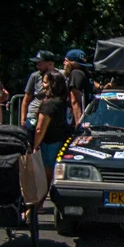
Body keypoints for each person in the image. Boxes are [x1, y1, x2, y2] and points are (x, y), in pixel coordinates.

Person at [31, 72, 72, 209]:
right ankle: (39, 204)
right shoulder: (64, 102)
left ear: (52, 85)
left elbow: (39, 129)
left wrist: (35, 146)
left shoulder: (49, 104)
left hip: (49, 143)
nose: (42, 85)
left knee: (43, 177)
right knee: (48, 177)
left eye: (45, 82)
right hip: (61, 142)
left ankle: (37, 206)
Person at [22, 50, 57, 129]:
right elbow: (26, 99)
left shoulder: (60, 75)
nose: (37, 66)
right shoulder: (35, 76)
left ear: (50, 63)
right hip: (34, 115)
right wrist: (23, 119)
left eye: (40, 63)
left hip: (53, 115)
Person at [64, 49, 95, 124]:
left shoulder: (76, 73)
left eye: (66, 61)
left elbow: (75, 101)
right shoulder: (86, 74)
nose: (64, 63)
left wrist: (79, 125)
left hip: (78, 119)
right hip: (89, 116)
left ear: (73, 63)